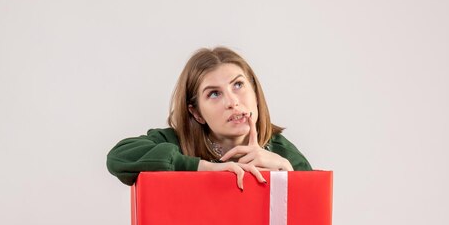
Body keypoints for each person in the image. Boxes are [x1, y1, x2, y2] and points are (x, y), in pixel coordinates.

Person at [106, 47, 311, 190]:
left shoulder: (282, 152)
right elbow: (118, 157)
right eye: (214, 94)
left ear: (256, 94)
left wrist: (288, 175)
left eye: (238, 85)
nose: (232, 101)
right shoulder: (176, 143)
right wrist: (202, 168)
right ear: (196, 113)